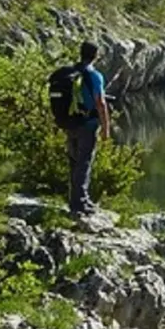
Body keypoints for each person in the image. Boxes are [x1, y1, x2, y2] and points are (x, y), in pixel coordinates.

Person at [58, 41, 111, 215]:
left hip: (70, 123)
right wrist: (106, 128)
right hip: (87, 125)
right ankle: (80, 203)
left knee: (74, 162)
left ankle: (75, 199)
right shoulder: (94, 76)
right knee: (84, 162)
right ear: (96, 55)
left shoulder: (71, 73)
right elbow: (100, 103)